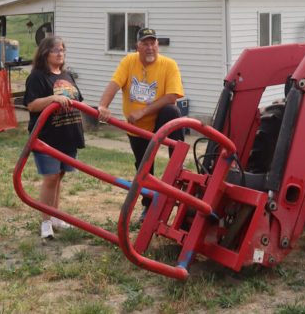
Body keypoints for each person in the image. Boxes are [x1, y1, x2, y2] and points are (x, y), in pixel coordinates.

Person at [98, 27, 185, 205]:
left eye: (152, 43)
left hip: (159, 121)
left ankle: (177, 171)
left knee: (173, 111)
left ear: (158, 45)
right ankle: (148, 206)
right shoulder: (129, 61)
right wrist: (103, 106)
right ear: (137, 46)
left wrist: (143, 111)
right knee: (144, 167)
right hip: (136, 127)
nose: (149, 47)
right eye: (145, 43)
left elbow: (172, 96)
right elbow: (114, 84)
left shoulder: (169, 64)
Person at [23, 36, 85, 239]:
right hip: (47, 136)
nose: (60, 53)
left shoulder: (67, 75)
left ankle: (56, 216)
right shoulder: (37, 77)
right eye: (55, 50)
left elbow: (78, 100)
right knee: (50, 178)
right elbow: (31, 105)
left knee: (59, 177)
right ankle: (46, 222)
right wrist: (53, 98)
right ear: (45, 53)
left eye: (62, 50)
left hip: (68, 134)